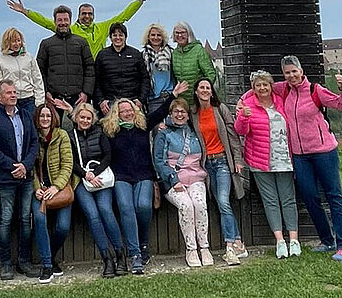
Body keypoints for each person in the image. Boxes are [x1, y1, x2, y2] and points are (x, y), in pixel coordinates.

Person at [101, 81, 188, 273]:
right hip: (121, 176)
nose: (128, 113)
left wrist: (173, 94)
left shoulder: (142, 125)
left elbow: (161, 112)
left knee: (142, 206)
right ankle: (135, 254)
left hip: (144, 174)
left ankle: (144, 243)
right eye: (123, 111)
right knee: (126, 208)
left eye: (130, 110)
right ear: (117, 113)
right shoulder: (110, 131)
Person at [273, 55, 342, 261]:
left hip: (324, 151)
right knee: (309, 197)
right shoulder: (283, 90)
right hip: (300, 155)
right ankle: (327, 240)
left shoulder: (315, 90)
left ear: (301, 71)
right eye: (287, 73)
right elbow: (261, 87)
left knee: (334, 196)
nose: (291, 76)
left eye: (294, 71)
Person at [235, 70, 299, 259]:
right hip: (260, 161)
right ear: (253, 89)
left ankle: (293, 239)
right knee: (271, 201)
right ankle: (280, 241)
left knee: (288, 200)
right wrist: (243, 116)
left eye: (265, 85)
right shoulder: (247, 105)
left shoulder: (280, 101)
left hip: (284, 159)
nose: (262, 88)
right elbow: (241, 131)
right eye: (258, 86)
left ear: (271, 86)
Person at [0, 80, 39, 280]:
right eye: (8, 92)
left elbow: (34, 142)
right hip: (5, 178)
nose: (13, 95)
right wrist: (12, 166)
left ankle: (24, 261)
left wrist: (26, 165)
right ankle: (5, 264)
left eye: (14, 92)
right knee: (5, 220)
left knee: (25, 220)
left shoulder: (25, 114)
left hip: (26, 175)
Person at [7, 0, 157, 57]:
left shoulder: (103, 28)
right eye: (83, 13)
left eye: (89, 14)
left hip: (98, 68)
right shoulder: (71, 29)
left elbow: (123, 16)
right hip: (79, 69)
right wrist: (26, 12)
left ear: (93, 15)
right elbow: (46, 23)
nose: (87, 16)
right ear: (78, 16)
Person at [189, 79, 247, 265]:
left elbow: (232, 136)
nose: (205, 90)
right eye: (201, 88)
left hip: (222, 161)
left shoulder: (220, 109)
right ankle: (239, 243)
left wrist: (237, 160)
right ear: (196, 92)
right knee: (218, 203)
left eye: (208, 88)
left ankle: (230, 246)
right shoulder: (193, 113)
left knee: (223, 201)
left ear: (212, 92)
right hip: (206, 165)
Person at [153, 98, 213, 268]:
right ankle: (191, 248)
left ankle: (204, 247)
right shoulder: (163, 134)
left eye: (182, 112)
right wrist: (173, 179)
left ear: (188, 115)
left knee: (199, 204)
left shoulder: (195, 132)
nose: (179, 115)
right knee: (186, 205)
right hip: (174, 179)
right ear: (170, 114)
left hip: (195, 177)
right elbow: (159, 160)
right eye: (176, 112)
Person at [70, 102, 125, 278]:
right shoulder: (70, 136)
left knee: (105, 210)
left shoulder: (100, 133)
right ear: (76, 117)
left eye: (88, 117)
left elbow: (108, 155)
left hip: (101, 178)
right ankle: (106, 258)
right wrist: (85, 175)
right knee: (93, 215)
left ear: (93, 119)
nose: (85, 120)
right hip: (82, 180)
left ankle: (120, 254)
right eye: (82, 117)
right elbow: (71, 161)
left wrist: (95, 173)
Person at [31, 104, 76, 284]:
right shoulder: (33, 137)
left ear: (53, 118)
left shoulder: (61, 135)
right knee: (40, 220)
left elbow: (67, 164)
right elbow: (31, 167)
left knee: (63, 227)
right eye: (42, 116)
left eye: (48, 116)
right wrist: (37, 188)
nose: (45, 119)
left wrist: (56, 187)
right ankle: (47, 265)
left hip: (60, 188)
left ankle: (51, 255)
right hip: (40, 189)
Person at [36, 5, 95, 119]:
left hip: (78, 98)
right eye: (59, 20)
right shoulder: (46, 44)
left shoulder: (81, 42)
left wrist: (86, 93)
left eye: (65, 20)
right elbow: (39, 71)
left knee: (79, 130)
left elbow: (90, 68)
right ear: (55, 21)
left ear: (70, 21)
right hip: (54, 98)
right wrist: (46, 92)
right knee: (54, 131)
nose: (63, 23)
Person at [93, 23, 149, 115]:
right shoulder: (102, 55)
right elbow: (96, 81)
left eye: (120, 35)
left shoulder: (135, 54)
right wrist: (101, 101)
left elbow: (145, 78)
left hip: (132, 102)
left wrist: (141, 100)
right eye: (114, 35)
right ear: (110, 37)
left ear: (125, 37)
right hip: (110, 103)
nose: (117, 38)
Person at [0, 27, 45, 123]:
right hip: (10, 101)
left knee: (29, 128)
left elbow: (37, 80)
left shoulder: (29, 58)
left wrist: (39, 102)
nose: (17, 44)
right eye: (13, 41)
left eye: (18, 40)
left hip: (28, 99)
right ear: (7, 42)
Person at [170, 21, 216, 99]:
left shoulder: (198, 50)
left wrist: (203, 92)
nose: (180, 35)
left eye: (183, 32)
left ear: (189, 34)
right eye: (177, 33)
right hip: (181, 101)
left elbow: (211, 74)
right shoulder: (174, 53)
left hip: (197, 100)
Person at [141, 23, 175, 115]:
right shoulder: (143, 55)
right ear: (148, 37)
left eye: (159, 35)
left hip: (170, 96)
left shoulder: (171, 53)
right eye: (153, 35)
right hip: (153, 98)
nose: (156, 37)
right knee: (157, 127)